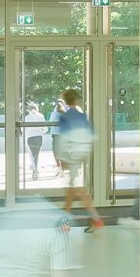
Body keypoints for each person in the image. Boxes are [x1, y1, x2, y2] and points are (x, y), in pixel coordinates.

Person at [53, 87, 102, 231]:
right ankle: (73, 220)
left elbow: (62, 140)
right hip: (83, 151)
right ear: (76, 100)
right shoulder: (82, 116)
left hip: (72, 154)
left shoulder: (65, 117)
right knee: (72, 189)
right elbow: (91, 135)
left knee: (75, 190)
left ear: (66, 102)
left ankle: (94, 219)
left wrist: (61, 158)